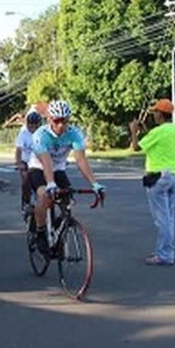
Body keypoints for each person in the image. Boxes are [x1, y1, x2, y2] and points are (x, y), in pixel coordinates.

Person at [29, 100, 105, 255]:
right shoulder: (40, 135)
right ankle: (40, 232)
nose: (61, 125)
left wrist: (95, 184)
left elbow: (81, 160)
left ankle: (58, 232)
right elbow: (46, 161)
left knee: (67, 200)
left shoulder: (74, 134)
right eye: (57, 121)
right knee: (44, 195)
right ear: (49, 119)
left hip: (58, 169)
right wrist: (50, 183)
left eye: (65, 121)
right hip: (39, 168)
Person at [129, 98, 175, 266]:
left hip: (158, 177)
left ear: (161, 114)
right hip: (173, 175)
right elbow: (173, 149)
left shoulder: (157, 132)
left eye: (155, 112)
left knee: (162, 219)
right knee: (169, 217)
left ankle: (164, 255)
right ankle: (165, 250)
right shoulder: (174, 130)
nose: (153, 115)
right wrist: (145, 130)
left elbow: (136, 147)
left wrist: (134, 131)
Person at [14, 109, 43, 209]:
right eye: (31, 125)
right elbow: (18, 149)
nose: (33, 127)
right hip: (26, 161)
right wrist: (19, 163)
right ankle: (26, 200)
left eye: (36, 125)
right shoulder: (23, 134)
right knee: (26, 178)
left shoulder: (43, 133)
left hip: (39, 162)